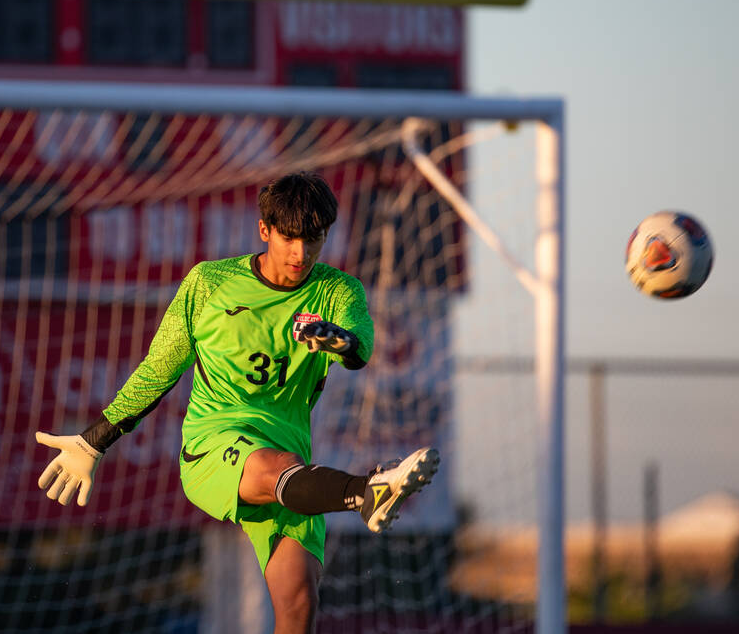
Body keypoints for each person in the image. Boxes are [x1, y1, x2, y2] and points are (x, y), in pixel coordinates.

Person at [35, 171, 439, 634]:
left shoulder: (337, 291)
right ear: (264, 229)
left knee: (298, 603)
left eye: (314, 240)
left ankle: (365, 493)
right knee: (276, 465)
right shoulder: (209, 284)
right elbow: (158, 369)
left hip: (297, 470)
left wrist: (340, 341)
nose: (300, 254)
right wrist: (93, 442)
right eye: (288, 238)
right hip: (214, 447)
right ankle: (368, 492)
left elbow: (361, 347)